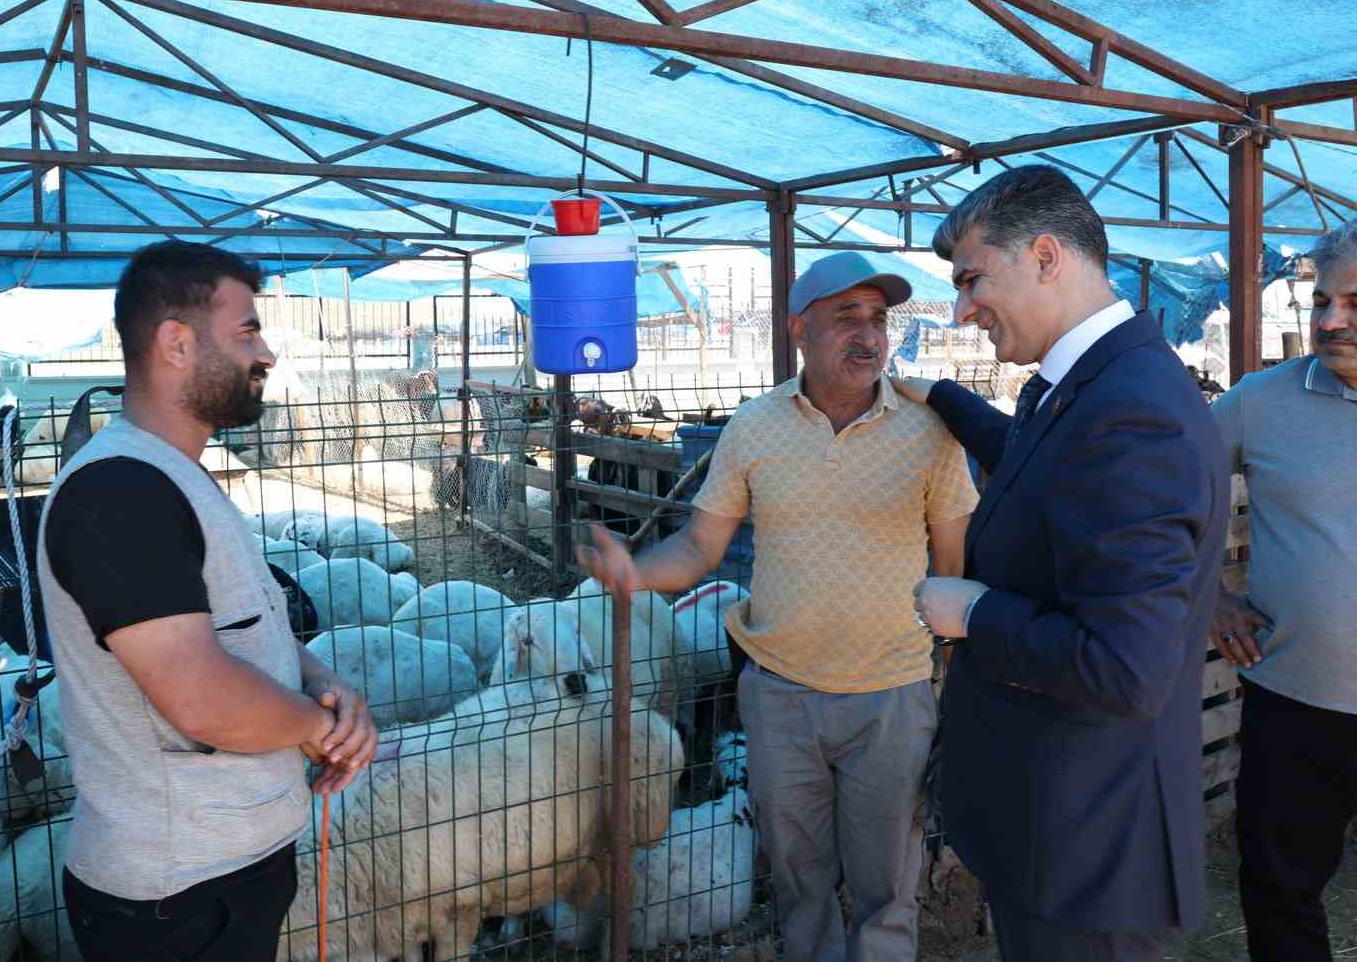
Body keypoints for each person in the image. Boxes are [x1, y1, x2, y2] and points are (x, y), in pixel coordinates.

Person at [579, 251, 978, 961]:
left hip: (891, 695)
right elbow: (699, 547)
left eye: (878, 319)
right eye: (846, 317)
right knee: (799, 881)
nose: (868, 335)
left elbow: (954, 566)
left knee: (888, 887)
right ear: (799, 329)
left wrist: (944, 672)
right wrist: (631, 573)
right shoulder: (755, 426)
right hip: (781, 697)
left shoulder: (928, 431)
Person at [895, 165, 1228, 960]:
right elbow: (1044, 470)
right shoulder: (1092, 382)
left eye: (972, 279)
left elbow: (1125, 667)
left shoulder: (1132, 412)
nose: (962, 308)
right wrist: (944, 398)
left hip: (1092, 852)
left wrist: (973, 612)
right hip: (1064, 826)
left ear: (1045, 256)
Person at [40, 242, 379, 962]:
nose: (267, 354)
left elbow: (243, 633)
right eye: (248, 332)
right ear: (177, 344)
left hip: (222, 873)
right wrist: (321, 728)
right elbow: (200, 697)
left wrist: (323, 683)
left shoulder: (175, 477)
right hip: (177, 896)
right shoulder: (119, 494)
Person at [1210, 221, 1357, 962]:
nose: (1329, 321)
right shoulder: (1260, 401)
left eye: (1354, 304)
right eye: (1322, 300)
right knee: (1279, 886)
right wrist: (1208, 595)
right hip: (1296, 701)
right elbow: (1162, 490)